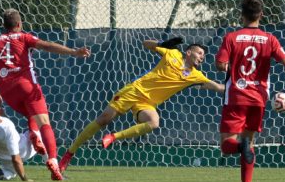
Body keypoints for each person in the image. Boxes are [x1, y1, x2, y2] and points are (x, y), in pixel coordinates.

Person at [59, 38, 225, 172]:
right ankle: (69, 153)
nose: (202, 57)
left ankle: (113, 137)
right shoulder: (172, 53)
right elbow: (146, 43)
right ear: (189, 52)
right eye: (200, 53)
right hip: (135, 90)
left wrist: (239, 84)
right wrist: (161, 44)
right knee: (103, 120)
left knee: (154, 122)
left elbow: (218, 87)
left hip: (146, 103)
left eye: (203, 55)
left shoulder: (197, 76)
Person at [0, 9, 91, 181]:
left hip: (7, 92)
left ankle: (33, 132)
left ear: (3, 25)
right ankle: (53, 162)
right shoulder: (24, 37)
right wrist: (74, 52)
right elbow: (47, 45)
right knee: (45, 123)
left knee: (32, 115)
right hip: (26, 86)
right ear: (19, 24)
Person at [216, 0, 285, 182]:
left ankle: (241, 149)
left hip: (236, 96)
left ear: (241, 15)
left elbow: (220, 65)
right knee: (249, 142)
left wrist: (228, 67)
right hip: (259, 98)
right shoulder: (270, 39)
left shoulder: (232, 37)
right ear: (261, 15)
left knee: (228, 145)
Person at [0, 97, 46, 181]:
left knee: (11, 171)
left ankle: (5, 173)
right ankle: (54, 168)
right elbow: (16, 158)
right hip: (22, 150)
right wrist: (24, 179)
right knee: (45, 133)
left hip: (1, 156)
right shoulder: (6, 126)